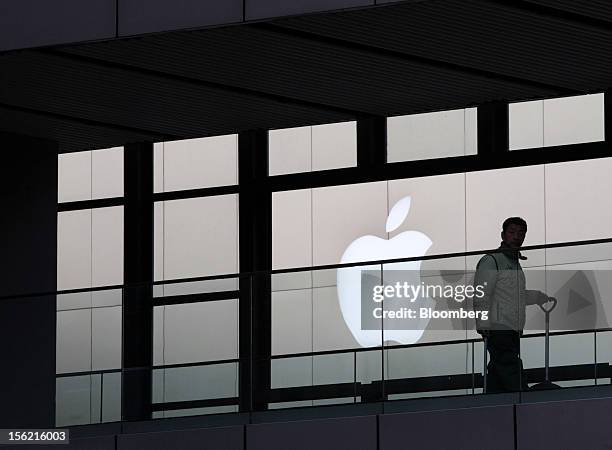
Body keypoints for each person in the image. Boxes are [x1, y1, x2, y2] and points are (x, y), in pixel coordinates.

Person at [473, 217, 553, 393]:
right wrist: (483, 323)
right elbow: (481, 293)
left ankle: (492, 403)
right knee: (509, 365)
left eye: (520, 233)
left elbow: (515, 296)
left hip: (512, 329)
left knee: (498, 371)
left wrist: (537, 297)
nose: (516, 237)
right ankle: (523, 399)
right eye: (512, 232)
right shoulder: (492, 260)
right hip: (498, 327)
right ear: (503, 235)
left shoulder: (514, 265)